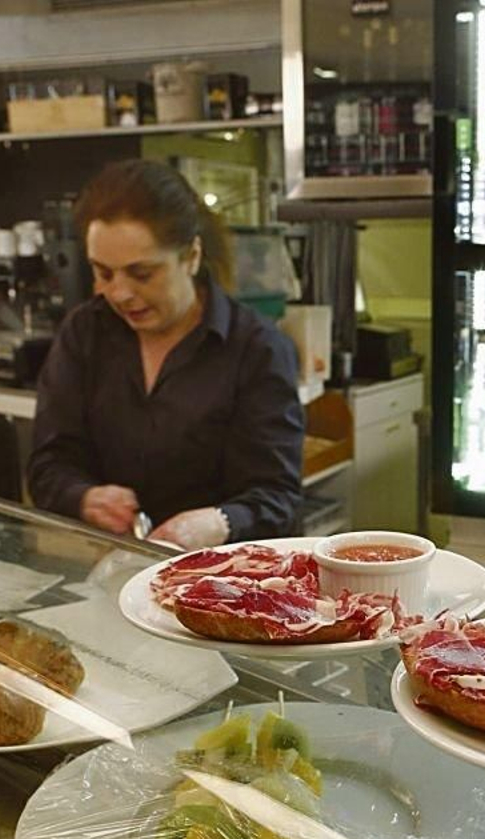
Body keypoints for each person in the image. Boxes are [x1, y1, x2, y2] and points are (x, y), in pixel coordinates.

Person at [29, 160, 303, 549]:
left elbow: (277, 498)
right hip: (107, 566)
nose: (119, 293)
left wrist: (219, 522)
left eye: (142, 274)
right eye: (103, 273)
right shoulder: (84, 332)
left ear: (191, 256)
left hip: (218, 580)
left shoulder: (256, 348)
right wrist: (84, 497)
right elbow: (48, 465)